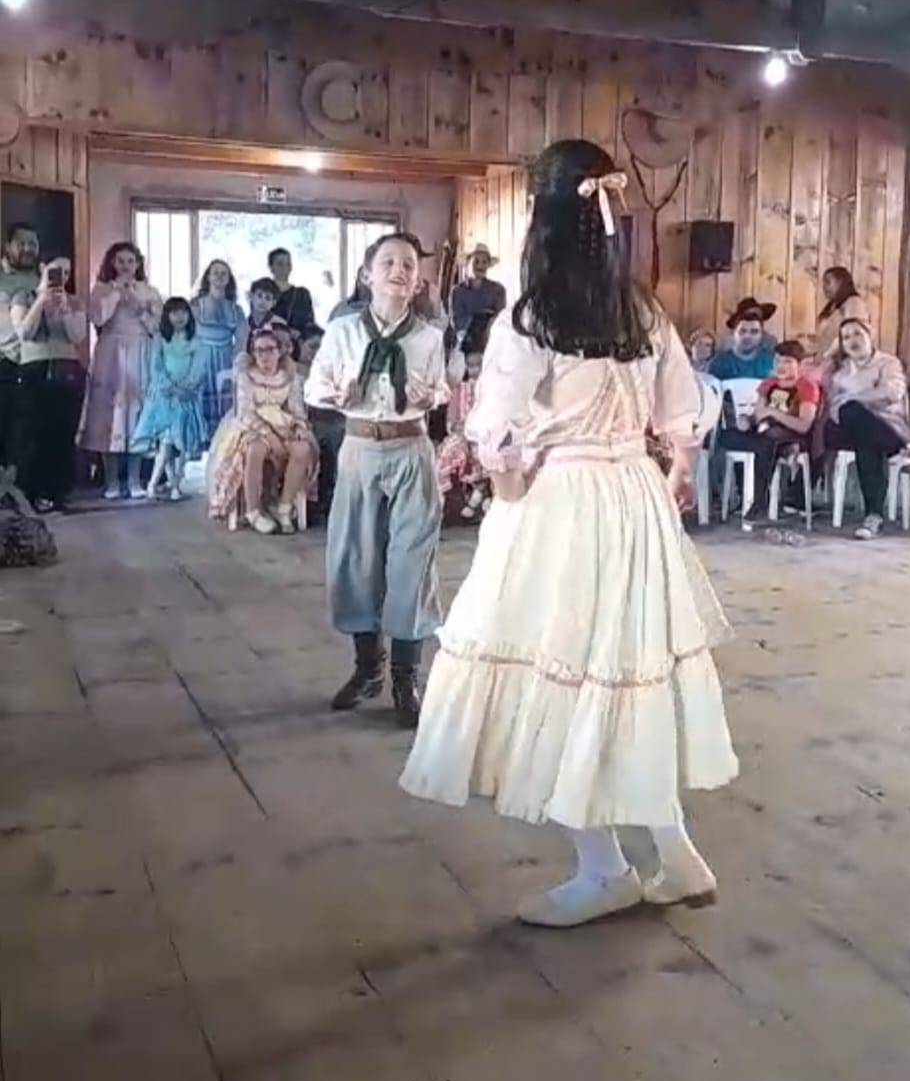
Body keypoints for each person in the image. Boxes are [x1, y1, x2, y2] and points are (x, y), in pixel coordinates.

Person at [400, 139, 737, 929]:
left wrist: (500, 474)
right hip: (634, 498)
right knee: (627, 675)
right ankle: (677, 857)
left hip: (561, 506)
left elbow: (496, 431)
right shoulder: (643, 310)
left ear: (543, 217)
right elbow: (682, 415)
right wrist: (675, 468)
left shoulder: (533, 316)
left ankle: (604, 870)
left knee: (561, 682)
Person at [307, 232, 449, 730]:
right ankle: (368, 667)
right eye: (388, 262)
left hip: (411, 448)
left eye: (408, 265)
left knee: (413, 561)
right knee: (355, 558)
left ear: (418, 281)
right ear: (367, 275)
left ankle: (406, 677)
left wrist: (430, 396)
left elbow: (440, 388)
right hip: (361, 448)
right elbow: (314, 386)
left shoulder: (429, 337)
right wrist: (336, 394)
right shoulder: (343, 330)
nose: (398, 271)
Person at [207, 323, 317, 533]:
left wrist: (299, 426)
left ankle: (284, 507)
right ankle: (253, 510)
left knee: (303, 448)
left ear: (279, 351)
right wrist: (268, 434)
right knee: (255, 449)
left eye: (269, 350)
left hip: (283, 424)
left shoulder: (290, 376)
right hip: (254, 426)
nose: (264, 356)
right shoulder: (247, 377)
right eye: (259, 351)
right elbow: (245, 412)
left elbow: (296, 409)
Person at [78, 242, 162, 498]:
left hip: (139, 351)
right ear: (112, 263)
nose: (126, 266)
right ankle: (112, 481)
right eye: (121, 261)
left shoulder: (149, 291)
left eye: (130, 261)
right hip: (111, 352)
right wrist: (116, 293)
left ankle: (134, 479)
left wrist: (139, 308)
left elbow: (157, 327)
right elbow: (98, 318)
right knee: (109, 415)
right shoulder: (101, 289)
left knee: (137, 415)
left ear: (138, 264)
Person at [826, 318, 910, 540]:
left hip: (886, 425)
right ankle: (900, 448)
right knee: (848, 415)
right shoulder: (840, 373)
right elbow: (834, 407)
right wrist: (858, 402)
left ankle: (873, 516)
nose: (853, 341)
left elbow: (892, 393)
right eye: (846, 337)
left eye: (857, 334)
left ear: (870, 335)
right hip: (848, 427)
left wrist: (854, 398)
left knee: (866, 441)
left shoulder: (888, 363)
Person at [715, 339, 820, 529]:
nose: (781, 366)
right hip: (765, 434)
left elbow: (804, 425)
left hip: (792, 433)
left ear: (799, 364)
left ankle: (759, 502)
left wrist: (774, 413)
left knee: (769, 439)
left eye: (787, 361)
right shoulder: (768, 384)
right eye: (777, 361)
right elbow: (759, 415)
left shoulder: (806, 386)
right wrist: (747, 421)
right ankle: (782, 452)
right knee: (726, 436)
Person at [10, 257, 87, 512]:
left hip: (67, 368)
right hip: (35, 367)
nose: (61, 277)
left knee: (63, 432)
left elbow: (78, 336)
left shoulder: (73, 301)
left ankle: (58, 491)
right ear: (43, 270)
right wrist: (41, 301)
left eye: (66, 273)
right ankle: (31, 491)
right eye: (56, 271)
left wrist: (65, 311)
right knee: (33, 431)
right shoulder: (24, 297)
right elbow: (24, 333)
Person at [132, 298, 208, 501]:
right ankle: (156, 483)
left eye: (183, 312)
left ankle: (174, 484)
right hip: (164, 398)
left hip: (185, 399)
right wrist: (169, 387)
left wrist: (186, 387)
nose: (179, 317)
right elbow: (155, 367)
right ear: (167, 316)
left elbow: (198, 368)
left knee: (182, 444)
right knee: (166, 442)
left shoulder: (196, 342)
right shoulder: (160, 339)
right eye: (174, 313)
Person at [0, 222, 40, 472]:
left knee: (26, 433)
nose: (27, 248)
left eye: (32, 244)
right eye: (21, 243)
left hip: (35, 364)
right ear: (8, 246)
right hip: (4, 362)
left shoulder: (41, 280)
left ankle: (21, 486)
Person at [191, 260, 247, 435]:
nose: (219, 277)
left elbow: (241, 339)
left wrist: (234, 365)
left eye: (224, 273)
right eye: (215, 272)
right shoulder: (195, 306)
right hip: (201, 358)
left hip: (225, 359)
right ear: (208, 276)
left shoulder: (236, 309)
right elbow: (186, 335)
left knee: (225, 404)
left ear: (229, 279)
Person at [268, 248, 322, 371]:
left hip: (298, 354)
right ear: (271, 267)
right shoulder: (264, 295)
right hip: (271, 352)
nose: (285, 268)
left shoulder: (302, 294)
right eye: (280, 264)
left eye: (288, 264)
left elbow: (310, 324)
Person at [709, 299, 776, 381]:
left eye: (754, 331)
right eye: (742, 331)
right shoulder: (719, 363)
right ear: (733, 333)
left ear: (762, 334)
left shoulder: (773, 361)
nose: (747, 336)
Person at [451, 244, 506, 343]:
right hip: (465, 342)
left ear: (488, 265)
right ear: (469, 264)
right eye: (476, 262)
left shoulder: (498, 290)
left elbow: (501, 320)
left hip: (491, 342)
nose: (480, 266)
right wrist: (476, 321)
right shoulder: (458, 291)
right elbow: (457, 322)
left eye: (484, 262)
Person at [817, 266, 869, 362]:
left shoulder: (854, 303)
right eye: (823, 283)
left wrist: (830, 356)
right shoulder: (833, 306)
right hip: (826, 360)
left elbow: (854, 336)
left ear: (840, 282)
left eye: (828, 282)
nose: (824, 287)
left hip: (844, 361)